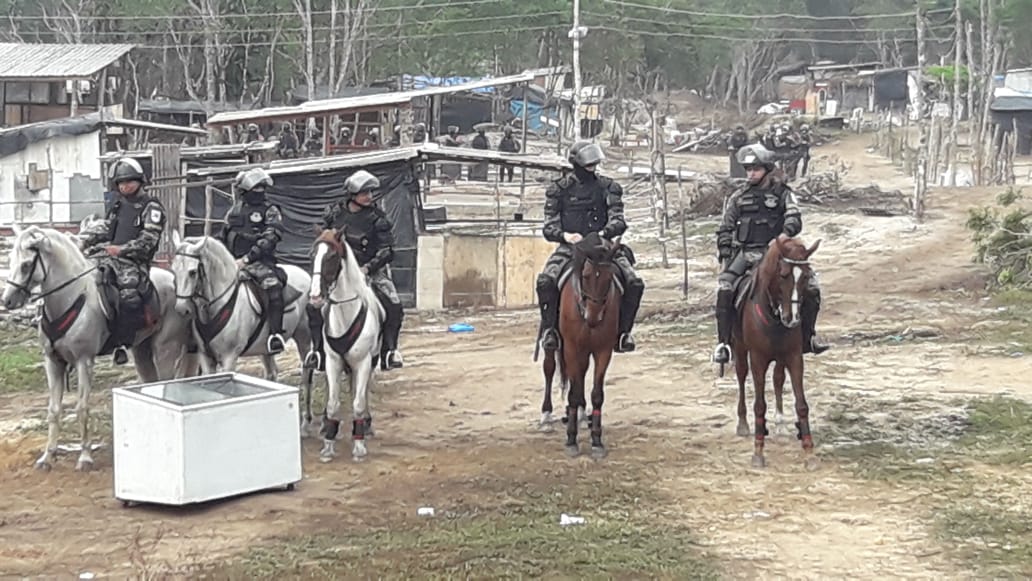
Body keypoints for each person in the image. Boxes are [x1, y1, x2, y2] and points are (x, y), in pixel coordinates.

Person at [711, 144, 829, 364]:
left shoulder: (784, 194)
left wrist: (784, 236)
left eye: (755, 169)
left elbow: (794, 218)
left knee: (812, 287)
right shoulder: (738, 197)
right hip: (746, 254)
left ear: (766, 169)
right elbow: (725, 227)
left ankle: (808, 337)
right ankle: (724, 343)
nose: (750, 173)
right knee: (724, 288)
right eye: (748, 169)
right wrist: (725, 254)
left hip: (777, 254)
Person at [535, 141, 644, 354]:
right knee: (546, 281)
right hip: (570, 247)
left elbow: (619, 220)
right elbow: (549, 227)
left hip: (602, 246)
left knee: (634, 282)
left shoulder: (608, 187)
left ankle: (623, 333)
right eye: (588, 165)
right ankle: (550, 331)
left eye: (595, 165)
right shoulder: (558, 190)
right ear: (576, 164)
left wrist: (604, 233)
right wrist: (566, 236)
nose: (592, 169)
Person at [306, 170, 404, 371]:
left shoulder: (378, 219)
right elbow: (323, 239)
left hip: (368, 270)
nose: (369, 196)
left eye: (370, 192)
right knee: (313, 305)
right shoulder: (333, 214)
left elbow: (387, 250)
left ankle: (389, 351)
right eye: (364, 192)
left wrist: (367, 268)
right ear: (352, 194)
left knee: (394, 304)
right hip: (336, 273)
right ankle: (317, 352)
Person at [81, 158, 166, 365]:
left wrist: (121, 250)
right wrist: (83, 240)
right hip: (107, 257)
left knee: (129, 296)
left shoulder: (152, 207)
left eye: (129, 181)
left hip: (134, 263)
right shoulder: (117, 204)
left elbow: (149, 240)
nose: (125, 186)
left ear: (140, 181)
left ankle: (123, 341)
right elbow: (106, 229)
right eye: (121, 182)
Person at [217, 167, 287, 354]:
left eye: (262, 188)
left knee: (273, 287)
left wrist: (248, 258)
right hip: (231, 263)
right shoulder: (233, 212)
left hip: (260, 263)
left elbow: (272, 236)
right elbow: (222, 236)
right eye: (256, 189)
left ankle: (275, 335)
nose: (260, 192)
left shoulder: (271, 210)